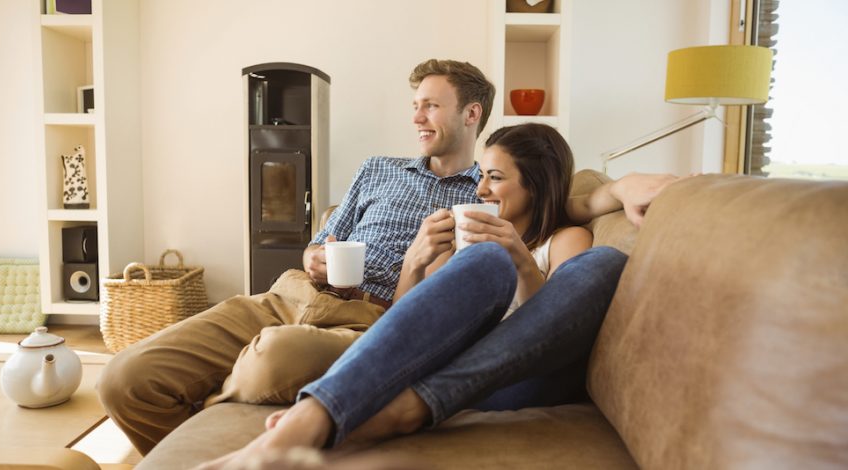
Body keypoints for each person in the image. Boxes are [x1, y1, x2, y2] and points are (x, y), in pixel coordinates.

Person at [98, 58, 675, 456]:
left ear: (471, 114)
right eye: (415, 105)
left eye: (431, 105)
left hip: (372, 317)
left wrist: (616, 190)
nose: (417, 116)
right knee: (126, 379)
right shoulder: (377, 169)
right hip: (292, 295)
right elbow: (324, 236)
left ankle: (271, 427)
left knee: (269, 362)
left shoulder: (488, 194)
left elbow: (560, 200)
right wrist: (317, 255)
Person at [195, 123, 634, 469]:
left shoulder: (566, 239)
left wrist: (520, 258)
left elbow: (557, 326)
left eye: (495, 178)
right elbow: (402, 325)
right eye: (481, 175)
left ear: (535, 185)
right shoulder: (470, 247)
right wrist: (415, 262)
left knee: (603, 264)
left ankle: (395, 410)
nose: (480, 190)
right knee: (486, 263)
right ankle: (317, 419)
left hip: (516, 378)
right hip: (455, 367)